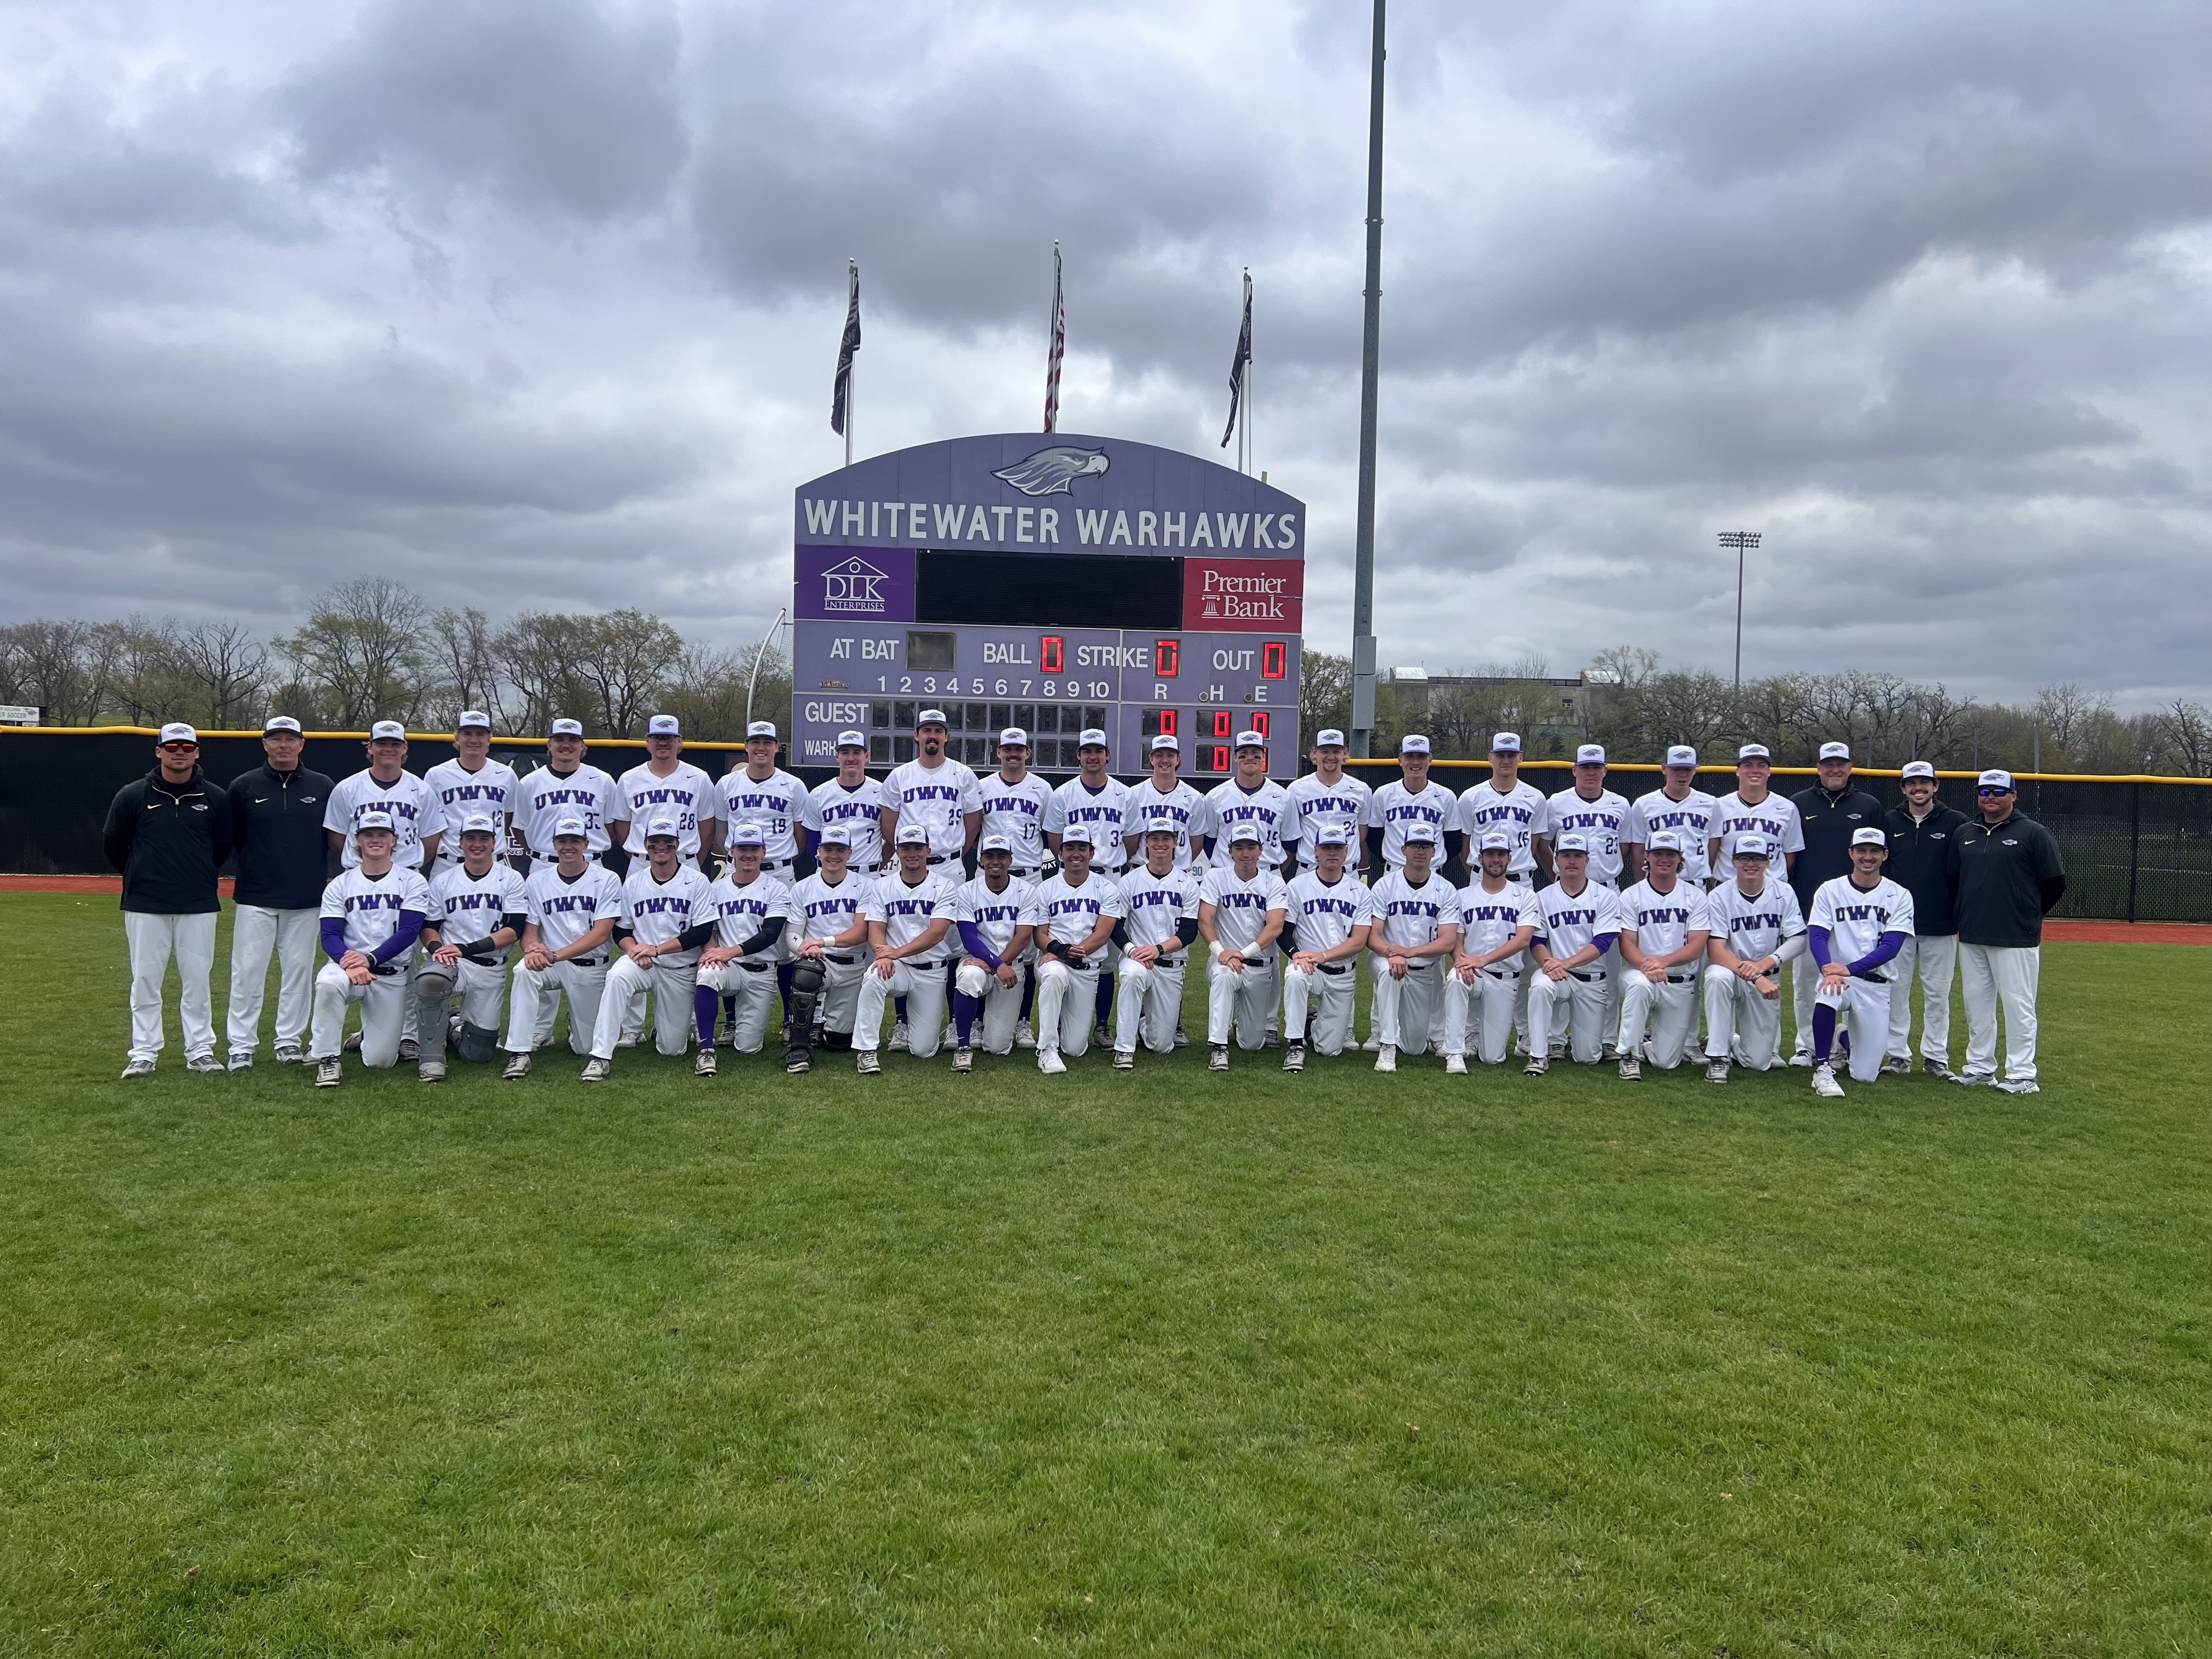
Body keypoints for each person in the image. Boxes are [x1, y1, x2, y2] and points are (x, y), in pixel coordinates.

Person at [105, 721, 234, 1078]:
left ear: (197, 752)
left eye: (187, 747)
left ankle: (200, 1050)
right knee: (145, 980)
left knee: (198, 980)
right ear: (159, 751)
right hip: (146, 903)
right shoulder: (132, 795)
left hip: (198, 904)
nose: (180, 753)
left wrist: (196, 875)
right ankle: (143, 1052)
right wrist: (142, 875)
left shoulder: (215, 798)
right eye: (172, 747)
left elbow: (222, 848)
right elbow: (114, 845)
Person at [224, 714, 334, 1069]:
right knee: (247, 973)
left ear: (302, 744)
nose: (283, 745)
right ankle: (241, 1045)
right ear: (265, 744)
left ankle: (288, 1042)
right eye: (276, 739)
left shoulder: (322, 785)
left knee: (298, 973)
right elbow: (233, 837)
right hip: (256, 896)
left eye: (290, 739)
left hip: (306, 898)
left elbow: (331, 837)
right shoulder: (244, 786)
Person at [1951, 769, 2066, 1094]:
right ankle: (1980, 1067)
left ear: (2013, 796)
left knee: (2018, 1005)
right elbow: (1954, 879)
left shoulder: (2034, 833)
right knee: (1976, 1005)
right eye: (1984, 791)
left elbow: (2055, 882)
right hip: (1972, 934)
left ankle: (2022, 1074)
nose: (1991, 797)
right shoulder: (1965, 833)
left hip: (2015, 936)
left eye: (1999, 791)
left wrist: (2027, 912)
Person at [583, 814, 716, 1081]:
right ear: (645, 845)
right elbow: (622, 929)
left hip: (680, 968)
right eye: (655, 841)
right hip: (643, 962)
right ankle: (600, 1056)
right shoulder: (634, 882)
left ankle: (668, 1026)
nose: (661, 847)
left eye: (667, 841)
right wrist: (633, 950)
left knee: (672, 1049)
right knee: (617, 977)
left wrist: (656, 949)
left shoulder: (697, 881)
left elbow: (702, 932)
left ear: (678, 844)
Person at [879, 708, 981, 1053]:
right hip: (910, 865)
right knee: (904, 939)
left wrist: (952, 855)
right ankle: (902, 1025)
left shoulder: (963, 774)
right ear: (917, 736)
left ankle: (955, 1024)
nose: (932, 736)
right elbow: (889, 825)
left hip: (950, 867)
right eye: (927, 730)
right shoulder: (900, 776)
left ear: (946, 737)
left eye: (938, 730)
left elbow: (972, 825)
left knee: (953, 948)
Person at [308, 811, 431, 1087]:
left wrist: (370, 959)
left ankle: (368, 1034)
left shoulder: (412, 881)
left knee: (380, 1061)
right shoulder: (341, 884)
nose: (376, 840)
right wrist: (350, 962)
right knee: (328, 983)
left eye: (382, 834)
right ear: (358, 840)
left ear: (393, 840)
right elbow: (329, 935)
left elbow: (409, 932)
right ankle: (327, 1058)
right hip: (348, 969)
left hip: (391, 974)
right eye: (368, 834)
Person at [1706, 743, 1808, 1059]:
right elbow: (1712, 849)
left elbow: (1790, 854)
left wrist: (1764, 877)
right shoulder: (1719, 805)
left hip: (1770, 894)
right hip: (1727, 891)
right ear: (1737, 771)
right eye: (1748, 764)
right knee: (1719, 975)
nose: (1755, 770)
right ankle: (1718, 1047)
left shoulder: (1786, 808)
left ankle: (1750, 1044)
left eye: (1761, 765)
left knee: (1760, 1061)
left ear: (1769, 771)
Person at [500, 815, 622, 1077]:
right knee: (523, 971)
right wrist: (533, 950)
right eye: (563, 841)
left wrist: (555, 955)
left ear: (586, 844)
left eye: (575, 841)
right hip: (550, 963)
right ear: (554, 844)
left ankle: (575, 1026)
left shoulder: (607, 878)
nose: (569, 846)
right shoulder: (536, 881)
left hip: (589, 966)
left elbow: (601, 934)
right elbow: (529, 932)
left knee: (585, 1048)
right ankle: (519, 1052)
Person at [414, 811, 527, 1083]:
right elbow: (428, 926)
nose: (477, 844)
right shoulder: (443, 880)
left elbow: (514, 930)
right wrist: (439, 948)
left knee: (478, 1054)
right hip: (453, 962)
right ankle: (431, 1060)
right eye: (471, 838)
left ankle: (453, 1025)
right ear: (461, 842)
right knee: (431, 980)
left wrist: (464, 948)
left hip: (490, 967)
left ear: (494, 842)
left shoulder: (511, 879)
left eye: (484, 838)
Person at [1805, 827, 1915, 1098]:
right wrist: (1829, 970)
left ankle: (1843, 1037)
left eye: (1875, 851)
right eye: (1862, 850)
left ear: (1885, 855)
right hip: (1838, 978)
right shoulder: (1830, 890)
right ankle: (1823, 1068)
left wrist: (1849, 968)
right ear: (1851, 853)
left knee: (1865, 1075)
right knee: (1828, 993)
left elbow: (1891, 947)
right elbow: (1817, 935)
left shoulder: (1900, 895)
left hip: (1877, 984)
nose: (1868, 856)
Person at [1045, 727, 1133, 1046]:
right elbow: (1056, 841)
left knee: (1106, 959)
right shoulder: (1062, 794)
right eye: (1087, 751)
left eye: (1098, 751)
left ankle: (1102, 1025)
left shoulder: (1125, 794)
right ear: (1079, 756)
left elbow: (1132, 841)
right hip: (1071, 875)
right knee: (1065, 945)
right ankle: (1058, 1023)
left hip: (1110, 877)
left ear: (1107, 755)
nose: (1093, 756)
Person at [1883, 761, 1967, 1077]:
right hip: (1897, 925)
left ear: (1936, 786)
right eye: (1912, 783)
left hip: (1941, 923)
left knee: (1938, 994)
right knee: (1896, 991)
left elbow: (1962, 871)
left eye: (1924, 783)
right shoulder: (1889, 821)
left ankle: (1936, 1056)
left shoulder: (1956, 822)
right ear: (1903, 788)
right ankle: (1898, 1055)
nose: (1918, 788)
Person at [1548, 742, 1633, 1054]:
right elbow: (1543, 844)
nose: (1591, 772)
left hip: (1607, 890)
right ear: (1575, 770)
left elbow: (1626, 846)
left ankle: (1607, 1038)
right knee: (1559, 962)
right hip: (1565, 889)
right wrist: (1555, 873)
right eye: (1585, 767)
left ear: (1605, 771)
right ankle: (1556, 1038)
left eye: (1597, 767)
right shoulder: (1557, 802)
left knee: (1608, 967)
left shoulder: (1621, 804)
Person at [853, 826, 959, 1074]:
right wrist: (882, 955)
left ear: (928, 851)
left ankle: (910, 1030)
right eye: (906, 848)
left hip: (932, 970)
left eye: (918, 848)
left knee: (924, 1050)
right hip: (897, 967)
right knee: (873, 977)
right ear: (897, 852)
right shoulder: (882, 886)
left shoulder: (944, 886)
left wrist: (895, 953)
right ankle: (866, 1050)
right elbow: (875, 928)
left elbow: (937, 933)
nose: (912, 853)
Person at [1701, 833, 1807, 1081]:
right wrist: (1755, 975)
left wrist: (1763, 967)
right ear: (1734, 862)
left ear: (1768, 862)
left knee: (1758, 1062)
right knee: (1716, 977)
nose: (1751, 864)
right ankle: (1718, 1057)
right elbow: (1716, 950)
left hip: (1767, 976)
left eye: (1757, 858)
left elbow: (1799, 940)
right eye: (1744, 858)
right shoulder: (1719, 895)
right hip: (1731, 972)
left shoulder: (1784, 892)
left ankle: (1731, 1042)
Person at [690, 822, 798, 1066]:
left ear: (763, 852)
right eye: (742, 848)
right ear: (732, 851)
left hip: (762, 973)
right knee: (707, 973)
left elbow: (770, 934)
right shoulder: (715, 889)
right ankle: (707, 1049)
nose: (748, 855)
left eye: (754, 849)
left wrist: (729, 952)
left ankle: (740, 1028)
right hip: (730, 968)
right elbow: (708, 931)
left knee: (748, 1047)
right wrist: (712, 953)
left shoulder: (777, 889)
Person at [1024, 825, 1126, 1074]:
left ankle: (1062, 1031)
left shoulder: (1107, 888)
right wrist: (1059, 952)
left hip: (1086, 967)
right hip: (1054, 961)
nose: (1076, 854)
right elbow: (1040, 935)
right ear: (1060, 853)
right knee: (1053, 975)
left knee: (1075, 1048)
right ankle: (1047, 1049)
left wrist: (1066, 952)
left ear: (1092, 853)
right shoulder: (1046, 888)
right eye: (1070, 848)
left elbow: (1102, 934)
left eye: (1082, 848)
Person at [1613, 831, 1713, 1079]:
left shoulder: (1696, 896)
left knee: (1666, 1062)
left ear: (1680, 858)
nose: (1664, 859)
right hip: (1640, 973)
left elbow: (1697, 947)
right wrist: (1648, 967)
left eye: (1671, 854)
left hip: (1679, 982)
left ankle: (1649, 1046)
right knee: (1639, 986)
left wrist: (1662, 962)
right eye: (1658, 853)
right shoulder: (1631, 895)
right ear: (1647, 856)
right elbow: (1627, 945)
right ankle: (1629, 1055)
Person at [1359, 824, 1457, 1073]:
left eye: (1426, 846)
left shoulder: (1446, 889)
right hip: (1385, 958)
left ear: (1434, 851)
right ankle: (1387, 1046)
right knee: (1389, 973)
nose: (1420, 851)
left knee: (1414, 1047)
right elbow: (1373, 935)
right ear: (1404, 849)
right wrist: (1392, 953)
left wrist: (1409, 952)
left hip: (1422, 967)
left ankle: (1400, 1036)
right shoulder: (1384, 885)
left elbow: (1448, 941)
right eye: (1414, 845)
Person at [1523, 833, 1622, 1074]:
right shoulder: (1543, 897)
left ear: (1587, 860)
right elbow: (1537, 940)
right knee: (1540, 986)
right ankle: (1537, 1056)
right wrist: (1549, 964)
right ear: (1556, 860)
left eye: (1578, 856)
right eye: (1566, 855)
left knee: (1588, 1057)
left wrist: (1563, 964)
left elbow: (1603, 942)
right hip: (1557, 976)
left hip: (1591, 980)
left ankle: (1575, 1042)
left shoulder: (1606, 897)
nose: (1572, 861)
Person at [1279, 827, 1376, 1070]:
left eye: (1337, 848)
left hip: (1343, 973)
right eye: (1326, 848)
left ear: (1346, 852)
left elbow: (1359, 941)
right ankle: (1295, 1045)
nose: (1332, 853)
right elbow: (1284, 931)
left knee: (1329, 1049)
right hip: (1309, 967)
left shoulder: (1360, 891)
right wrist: (1296, 955)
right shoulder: (1297, 886)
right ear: (1316, 852)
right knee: (1295, 975)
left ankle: (1311, 1023)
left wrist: (1323, 955)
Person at [1445, 832, 1539, 1072]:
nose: (1495, 860)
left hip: (1504, 978)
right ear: (1480, 858)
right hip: (1472, 973)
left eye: (1500, 854)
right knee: (1455, 979)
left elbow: (1524, 939)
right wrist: (1462, 961)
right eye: (1490, 854)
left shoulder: (1525, 896)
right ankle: (1454, 1053)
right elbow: (1456, 938)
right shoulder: (1463, 895)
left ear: (1509, 858)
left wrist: (1482, 960)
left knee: (1492, 1057)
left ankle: (1476, 1035)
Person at [1111, 818, 1201, 1069]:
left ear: (1175, 843)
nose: (1160, 843)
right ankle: (1124, 1049)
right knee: (1131, 977)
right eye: (1154, 838)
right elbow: (1116, 925)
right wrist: (1131, 951)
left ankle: (1143, 1024)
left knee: (1161, 1045)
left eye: (1166, 838)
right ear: (1146, 843)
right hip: (1138, 959)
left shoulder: (1187, 884)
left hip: (1171, 964)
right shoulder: (1130, 881)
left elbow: (1190, 931)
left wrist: (1158, 949)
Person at [1198, 825, 1289, 1069]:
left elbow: (1276, 926)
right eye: (1239, 847)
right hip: (1224, 961)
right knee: (1223, 977)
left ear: (1261, 850)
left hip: (1258, 964)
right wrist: (1221, 953)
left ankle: (1241, 1024)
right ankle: (1219, 1047)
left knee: (1252, 1043)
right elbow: (1205, 920)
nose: (1245, 853)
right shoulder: (1216, 877)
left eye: (1251, 847)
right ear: (1230, 851)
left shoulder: (1273, 882)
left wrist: (1243, 953)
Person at [947, 834, 1037, 1070]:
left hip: (1011, 968)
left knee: (997, 1047)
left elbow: (1023, 936)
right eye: (989, 856)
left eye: (1001, 856)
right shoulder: (967, 890)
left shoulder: (1026, 891)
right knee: (969, 976)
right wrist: (996, 965)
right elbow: (968, 937)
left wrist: (998, 965)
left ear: (1010, 860)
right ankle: (963, 1047)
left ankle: (984, 1025)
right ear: (981, 860)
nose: (995, 861)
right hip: (977, 962)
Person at [786, 826, 875, 1062]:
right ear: (819, 852)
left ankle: (824, 1026)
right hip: (818, 961)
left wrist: (821, 941)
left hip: (852, 966)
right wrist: (805, 948)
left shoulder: (865, 886)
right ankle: (799, 1043)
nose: (833, 855)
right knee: (806, 974)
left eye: (840, 850)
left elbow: (861, 933)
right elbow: (792, 935)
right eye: (828, 849)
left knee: (839, 1043)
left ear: (850, 853)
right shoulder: (803, 887)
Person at [325, 720, 444, 872]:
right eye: (381, 744)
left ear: (405, 748)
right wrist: (367, 865)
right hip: (359, 874)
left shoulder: (422, 790)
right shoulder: (346, 788)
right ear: (370, 747)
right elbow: (336, 838)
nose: (389, 749)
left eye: (396, 744)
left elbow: (431, 840)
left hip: (406, 874)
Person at [512, 719, 624, 867]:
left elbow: (611, 828)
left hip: (590, 863)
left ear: (582, 746)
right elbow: (519, 828)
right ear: (550, 745)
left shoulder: (603, 781)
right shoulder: (529, 783)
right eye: (559, 739)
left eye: (573, 740)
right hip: (544, 865)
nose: (566, 745)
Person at [619, 715, 720, 868]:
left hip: (685, 860)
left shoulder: (699, 778)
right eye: (656, 737)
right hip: (642, 862)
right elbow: (622, 828)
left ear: (679, 741)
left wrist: (693, 862)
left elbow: (707, 830)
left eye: (669, 737)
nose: (663, 743)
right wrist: (639, 856)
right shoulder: (629, 778)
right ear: (647, 741)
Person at [422, 713, 518, 870]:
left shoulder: (506, 774)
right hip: (449, 863)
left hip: (494, 862)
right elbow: (430, 823)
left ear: (489, 740)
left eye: (480, 734)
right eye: (467, 734)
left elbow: (509, 816)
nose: (474, 740)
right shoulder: (437, 775)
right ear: (457, 738)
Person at [1458, 732, 1553, 888]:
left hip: (1521, 881)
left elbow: (1533, 844)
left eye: (1512, 755)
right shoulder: (1470, 797)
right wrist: (1476, 873)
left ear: (1521, 758)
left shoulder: (1536, 797)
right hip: (1481, 879)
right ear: (1490, 758)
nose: (1506, 761)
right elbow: (1464, 845)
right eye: (1500, 755)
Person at [1362, 734, 1463, 876]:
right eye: (1410, 756)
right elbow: (1374, 837)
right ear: (1400, 760)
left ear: (1430, 760)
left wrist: (1432, 861)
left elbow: (1454, 841)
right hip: (1394, 872)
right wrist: (1394, 859)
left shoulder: (1446, 796)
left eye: (1421, 757)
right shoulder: (1383, 794)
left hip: (1432, 872)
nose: (1416, 762)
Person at [1204, 731, 1301, 873]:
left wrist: (1275, 871)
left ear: (1264, 757)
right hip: (1226, 873)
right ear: (1235, 757)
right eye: (1244, 754)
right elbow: (1209, 842)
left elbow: (1290, 844)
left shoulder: (1284, 797)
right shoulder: (1215, 796)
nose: (1250, 758)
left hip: (1268, 873)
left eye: (1255, 753)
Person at [1622, 745, 1719, 887]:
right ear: (1664, 769)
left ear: (1694, 771)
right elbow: (1639, 849)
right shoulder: (1643, 804)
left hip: (1696, 884)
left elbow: (1713, 844)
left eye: (1688, 769)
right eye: (1676, 769)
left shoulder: (1710, 803)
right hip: (1656, 884)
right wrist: (1641, 885)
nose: (1683, 775)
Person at [1285, 729, 1373, 873]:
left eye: (1336, 752)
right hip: (1309, 869)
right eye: (1325, 751)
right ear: (1314, 753)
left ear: (1345, 754)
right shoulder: (1296, 789)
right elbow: (1291, 832)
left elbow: (1362, 834)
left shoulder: (1361, 790)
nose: (1331, 757)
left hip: (1347, 871)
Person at [801, 730, 886, 873]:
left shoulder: (882, 792)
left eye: (857, 752)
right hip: (829, 873)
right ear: (837, 756)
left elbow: (891, 838)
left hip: (868, 874)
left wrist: (876, 867)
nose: (851, 758)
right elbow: (813, 842)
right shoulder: (818, 794)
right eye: (845, 752)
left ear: (867, 756)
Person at [978, 727, 1054, 879]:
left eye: (1019, 749)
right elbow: (974, 829)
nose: (1013, 754)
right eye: (1007, 749)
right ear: (998, 752)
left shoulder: (1043, 788)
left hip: (1029, 875)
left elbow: (1051, 832)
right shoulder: (982, 786)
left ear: (1028, 753)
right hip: (987, 873)